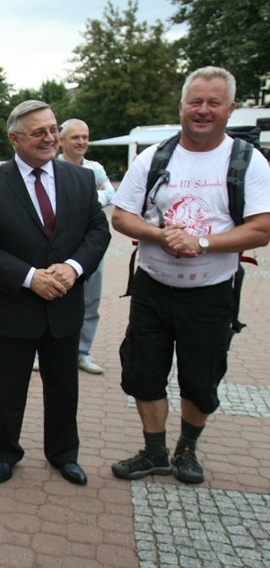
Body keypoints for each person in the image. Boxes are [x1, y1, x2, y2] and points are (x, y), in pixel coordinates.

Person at [110, 66, 270, 484]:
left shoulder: (247, 161)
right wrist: (159, 235)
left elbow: (262, 228)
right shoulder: (154, 157)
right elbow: (122, 216)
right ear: (181, 106)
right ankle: (155, 451)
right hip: (152, 289)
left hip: (211, 293)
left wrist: (200, 243)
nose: (203, 110)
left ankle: (187, 450)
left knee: (200, 382)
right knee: (142, 373)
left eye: (213, 103)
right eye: (195, 102)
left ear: (230, 109)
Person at [0, 100, 110, 485]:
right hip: (14, 306)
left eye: (53, 129)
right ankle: (4, 453)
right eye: (39, 132)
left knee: (64, 387)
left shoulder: (80, 179)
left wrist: (73, 268)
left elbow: (98, 232)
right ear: (14, 138)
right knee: (9, 389)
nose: (50, 138)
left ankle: (64, 454)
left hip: (65, 303)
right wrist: (30, 277)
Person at [58, 118, 116, 375]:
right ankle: (40, 351)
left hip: (90, 246)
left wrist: (87, 200)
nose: (81, 142)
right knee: (52, 295)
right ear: (62, 141)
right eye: (75, 137)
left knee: (90, 300)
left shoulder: (95, 169)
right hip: (58, 245)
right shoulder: (51, 166)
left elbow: (111, 193)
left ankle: (81, 352)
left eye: (85, 136)